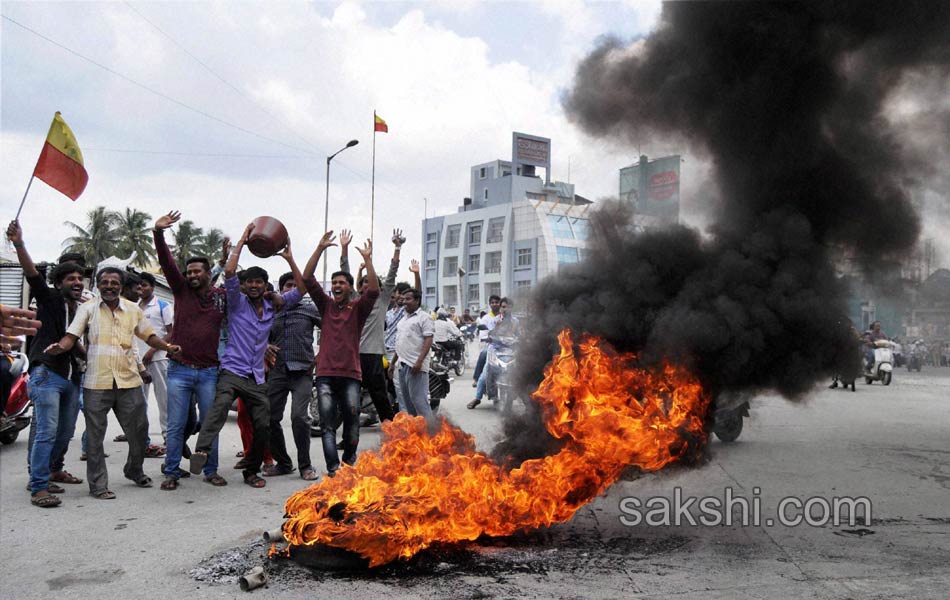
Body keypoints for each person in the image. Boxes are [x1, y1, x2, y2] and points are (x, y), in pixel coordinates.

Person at [45, 267, 181, 500]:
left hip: (128, 380)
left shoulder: (132, 310)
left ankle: (134, 470)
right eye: (104, 282)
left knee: (139, 432)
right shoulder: (87, 309)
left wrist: (167, 347)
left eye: (114, 282)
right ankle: (98, 485)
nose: (109, 286)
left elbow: (148, 336)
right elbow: (72, 335)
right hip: (96, 382)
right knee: (96, 438)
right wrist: (61, 346)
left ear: (121, 286)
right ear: (98, 285)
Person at [190, 225, 305, 488]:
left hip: (256, 376)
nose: (254, 285)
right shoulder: (237, 302)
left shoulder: (271, 305)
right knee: (218, 411)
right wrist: (242, 241)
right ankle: (202, 450)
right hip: (232, 371)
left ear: (265, 286)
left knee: (263, 425)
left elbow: (301, 289)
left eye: (259, 282)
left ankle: (251, 471)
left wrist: (289, 258)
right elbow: (229, 272)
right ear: (242, 286)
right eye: (249, 282)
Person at [6, 220, 84, 508]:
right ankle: (38, 486)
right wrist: (19, 243)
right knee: (46, 431)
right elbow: (32, 275)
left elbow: (75, 339)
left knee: (65, 432)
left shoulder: (81, 309)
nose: (77, 282)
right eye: (71, 279)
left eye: (80, 278)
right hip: (47, 374)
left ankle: (54, 469)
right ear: (59, 283)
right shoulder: (50, 299)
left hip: (72, 377)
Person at [153, 211, 228, 490]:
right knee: (175, 425)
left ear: (209, 274)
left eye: (198, 272)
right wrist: (159, 233)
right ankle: (171, 472)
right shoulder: (181, 291)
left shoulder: (222, 298)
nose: (192, 275)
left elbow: (245, 321)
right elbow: (166, 262)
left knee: (211, 425)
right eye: (189, 272)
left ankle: (210, 470)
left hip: (209, 372)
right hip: (179, 370)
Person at [302, 232, 379, 476]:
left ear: (349, 288)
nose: (336, 286)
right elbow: (306, 277)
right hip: (325, 374)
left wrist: (367, 259)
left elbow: (374, 291)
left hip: (351, 376)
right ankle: (334, 469)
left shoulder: (358, 309)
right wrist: (320, 247)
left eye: (341, 283)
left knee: (352, 424)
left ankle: (348, 464)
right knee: (326, 425)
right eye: (334, 283)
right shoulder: (324, 306)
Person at [340, 228, 406, 423]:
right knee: (349, 399)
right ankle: (348, 437)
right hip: (351, 356)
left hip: (374, 355)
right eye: (365, 283)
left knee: (380, 397)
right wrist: (344, 249)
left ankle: (393, 434)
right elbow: (345, 274)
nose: (369, 286)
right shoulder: (353, 299)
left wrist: (397, 248)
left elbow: (392, 274)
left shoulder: (382, 299)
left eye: (373, 283)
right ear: (360, 287)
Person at [264, 270, 321, 480]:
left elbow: (333, 331)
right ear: (280, 289)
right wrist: (265, 346)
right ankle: (283, 463)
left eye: (294, 286)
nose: (290, 289)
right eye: (287, 285)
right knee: (269, 418)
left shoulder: (309, 309)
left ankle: (305, 465)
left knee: (299, 417)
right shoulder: (270, 311)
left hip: (302, 371)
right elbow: (257, 335)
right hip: (277, 371)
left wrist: (320, 355)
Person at [137, 272, 174, 451]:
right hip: (139, 361)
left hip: (158, 358)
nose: (141, 289)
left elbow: (171, 332)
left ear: (152, 286)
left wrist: (154, 349)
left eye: (144, 285)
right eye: (139, 286)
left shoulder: (162, 305)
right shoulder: (135, 307)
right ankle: (140, 437)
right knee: (138, 400)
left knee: (163, 398)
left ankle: (168, 435)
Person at [389, 288, 436, 423]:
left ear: (417, 301)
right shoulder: (403, 320)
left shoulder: (424, 317)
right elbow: (400, 344)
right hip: (402, 366)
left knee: (420, 402)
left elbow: (428, 340)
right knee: (408, 402)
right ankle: (416, 434)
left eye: (408, 299)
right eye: (403, 299)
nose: (404, 302)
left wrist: (419, 362)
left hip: (415, 366)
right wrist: (392, 364)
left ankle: (431, 433)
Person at [468, 297, 520, 409]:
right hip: (495, 349)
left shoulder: (516, 321)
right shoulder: (495, 319)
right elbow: (490, 333)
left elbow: (518, 335)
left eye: (507, 307)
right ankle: (477, 398)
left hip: (510, 350)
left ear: (511, 308)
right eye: (503, 307)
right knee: (484, 375)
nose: (504, 309)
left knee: (521, 372)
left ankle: (526, 399)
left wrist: (522, 340)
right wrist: (496, 327)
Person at [472, 295, 502, 386]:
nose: (494, 304)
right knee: (483, 353)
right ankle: (476, 378)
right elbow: (483, 334)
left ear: (500, 304)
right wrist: (488, 338)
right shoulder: (485, 318)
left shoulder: (504, 317)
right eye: (492, 303)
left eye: (496, 302)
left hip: (505, 345)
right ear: (489, 304)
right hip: (491, 344)